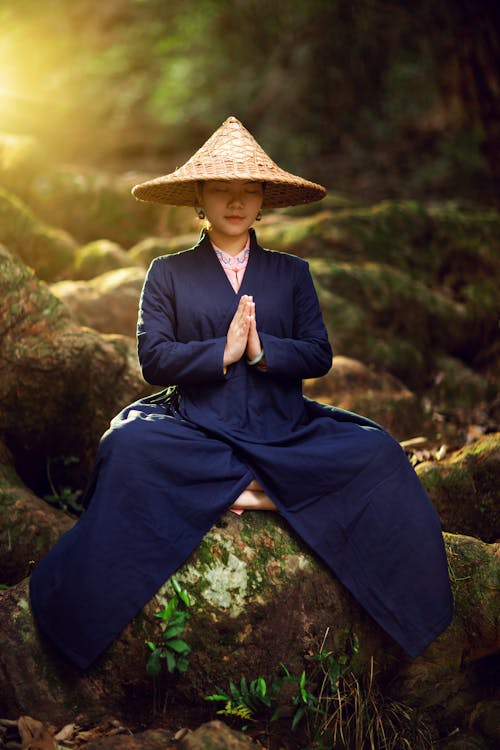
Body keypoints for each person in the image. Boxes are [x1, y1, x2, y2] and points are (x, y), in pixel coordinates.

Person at [29, 116, 453, 670]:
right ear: (199, 197)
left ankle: (241, 491)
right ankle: (267, 491)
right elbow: (153, 360)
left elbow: (318, 354)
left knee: (379, 453)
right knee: (127, 448)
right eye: (223, 189)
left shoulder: (291, 273)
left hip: (284, 426)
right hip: (198, 423)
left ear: (264, 198)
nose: (236, 200)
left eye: (249, 188)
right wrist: (221, 355)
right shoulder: (167, 273)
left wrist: (259, 351)